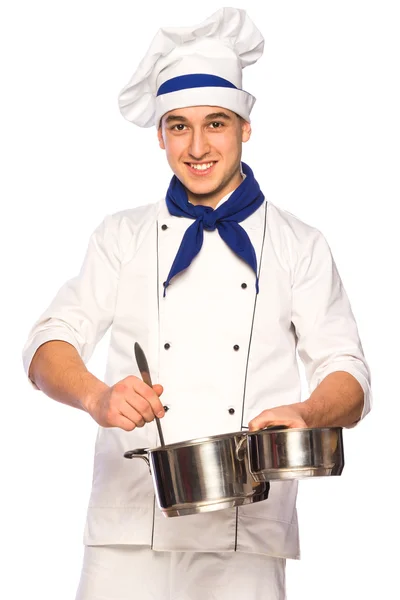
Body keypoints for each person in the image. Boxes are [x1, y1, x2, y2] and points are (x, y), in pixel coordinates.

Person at [22, 7, 372, 600]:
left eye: (216, 123)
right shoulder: (120, 235)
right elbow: (47, 344)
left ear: (244, 128)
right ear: (160, 136)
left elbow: (350, 374)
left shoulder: (300, 244)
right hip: (128, 527)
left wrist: (309, 413)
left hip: (248, 528)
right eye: (178, 126)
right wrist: (97, 396)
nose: (198, 145)